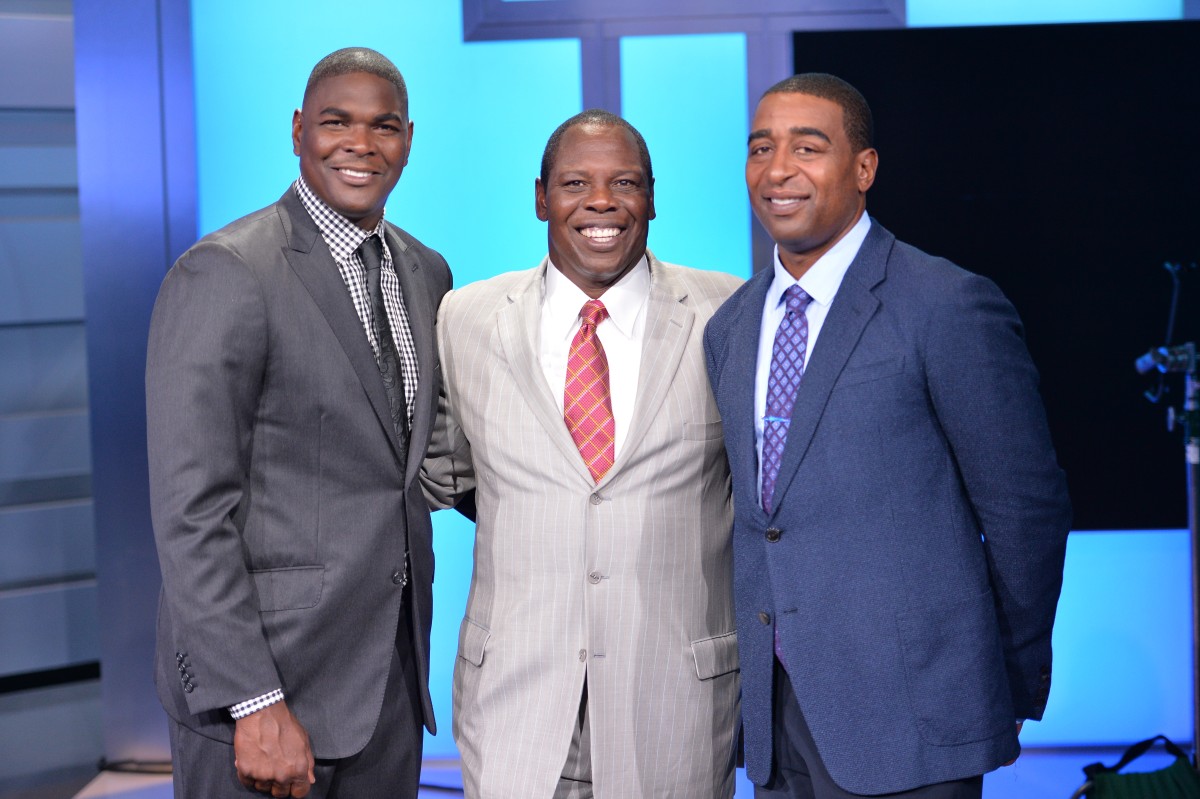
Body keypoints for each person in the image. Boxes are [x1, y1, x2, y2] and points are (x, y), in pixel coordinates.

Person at [703, 73, 1072, 798]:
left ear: (864, 168)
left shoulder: (944, 303)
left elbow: (1025, 509)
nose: (778, 170)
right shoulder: (732, 325)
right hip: (776, 720)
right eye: (761, 148)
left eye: (808, 148)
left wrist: (996, 677)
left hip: (916, 716)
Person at [146, 47, 451, 799]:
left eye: (383, 126)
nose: (360, 144)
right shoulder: (227, 271)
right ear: (297, 131)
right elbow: (191, 511)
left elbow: (413, 465)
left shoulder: (427, 271)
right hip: (265, 693)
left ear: (409, 139)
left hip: (388, 690)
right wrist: (252, 698)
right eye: (336, 122)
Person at [422, 109, 743, 798]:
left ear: (651, 198)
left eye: (623, 182)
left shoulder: (729, 313)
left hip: (675, 702)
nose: (601, 202)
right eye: (575, 183)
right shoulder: (465, 317)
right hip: (513, 700)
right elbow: (453, 474)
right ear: (541, 198)